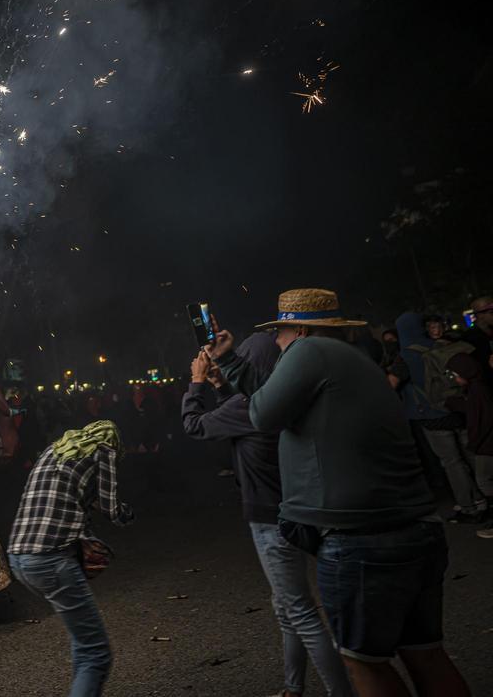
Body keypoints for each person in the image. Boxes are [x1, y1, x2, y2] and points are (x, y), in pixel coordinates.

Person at [208, 288, 470, 697]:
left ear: (300, 330)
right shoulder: (350, 361)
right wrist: (228, 361)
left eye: (280, 331)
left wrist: (230, 365)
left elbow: (261, 414)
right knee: (426, 654)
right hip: (415, 528)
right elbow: (272, 398)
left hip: (363, 541)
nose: (276, 341)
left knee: (365, 663)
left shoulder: (308, 352)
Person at [182, 336, 352, 697]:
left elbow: (195, 425)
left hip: (269, 519)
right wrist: (221, 384)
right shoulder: (280, 399)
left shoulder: (247, 406)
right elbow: (240, 408)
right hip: (299, 508)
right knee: (286, 607)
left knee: (300, 612)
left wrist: (197, 382)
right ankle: (293, 688)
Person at [7, 421, 133, 697]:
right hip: (50, 560)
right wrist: (127, 514)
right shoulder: (104, 451)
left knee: (82, 641)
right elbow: (112, 508)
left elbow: (59, 503)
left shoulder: (54, 450)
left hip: (18, 558)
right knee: (96, 654)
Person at [393, 312, 485, 522]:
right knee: (471, 454)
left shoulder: (405, 355)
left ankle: (469, 506)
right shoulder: (443, 344)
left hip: (432, 416)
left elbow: (391, 384)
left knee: (451, 462)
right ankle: (486, 497)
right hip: (457, 408)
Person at [446, 352, 493, 539]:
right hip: (485, 443)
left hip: (486, 444)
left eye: (455, 374)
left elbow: (482, 419)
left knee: (484, 481)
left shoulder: (478, 390)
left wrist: (474, 442)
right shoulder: (477, 388)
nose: (454, 379)